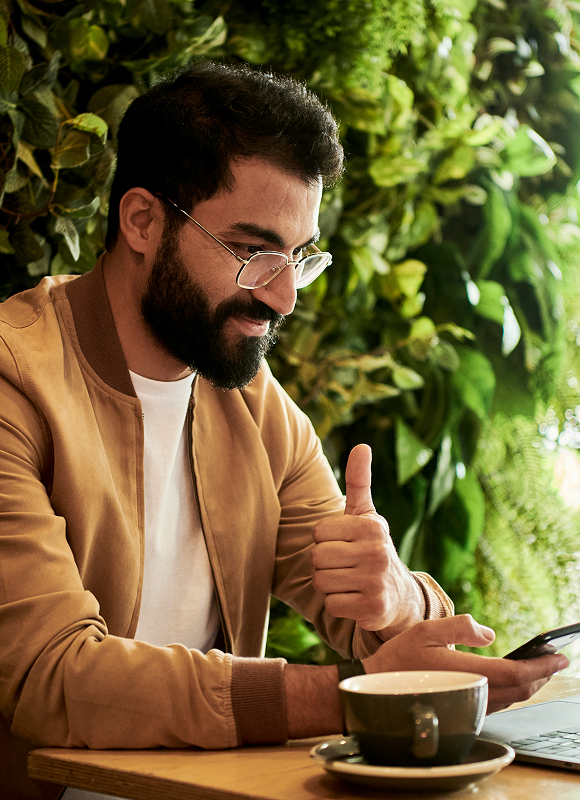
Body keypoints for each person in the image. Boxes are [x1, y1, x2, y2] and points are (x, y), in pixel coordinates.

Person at [0, 61, 568, 800]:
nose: (285, 296)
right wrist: (352, 692)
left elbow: (367, 614)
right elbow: (54, 678)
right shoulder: (16, 380)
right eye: (252, 251)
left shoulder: (250, 401)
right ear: (141, 221)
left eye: (299, 256)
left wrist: (394, 597)